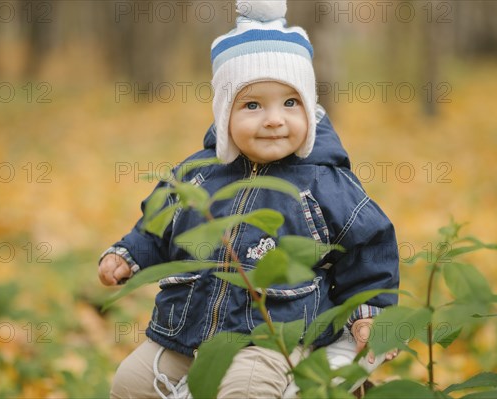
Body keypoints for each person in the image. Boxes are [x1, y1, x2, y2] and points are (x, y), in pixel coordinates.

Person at [99, 1, 399, 398]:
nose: (274, 119)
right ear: (225, 113)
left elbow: (369, 249)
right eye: (252, 104)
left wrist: (370, 313)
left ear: (310, 109)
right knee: (129, 383)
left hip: (271, 336)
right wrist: (127, 254)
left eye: (291, 103)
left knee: (245, 390)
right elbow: (157, 226)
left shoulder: (324, 182)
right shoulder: (197, 174)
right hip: (187, 327)